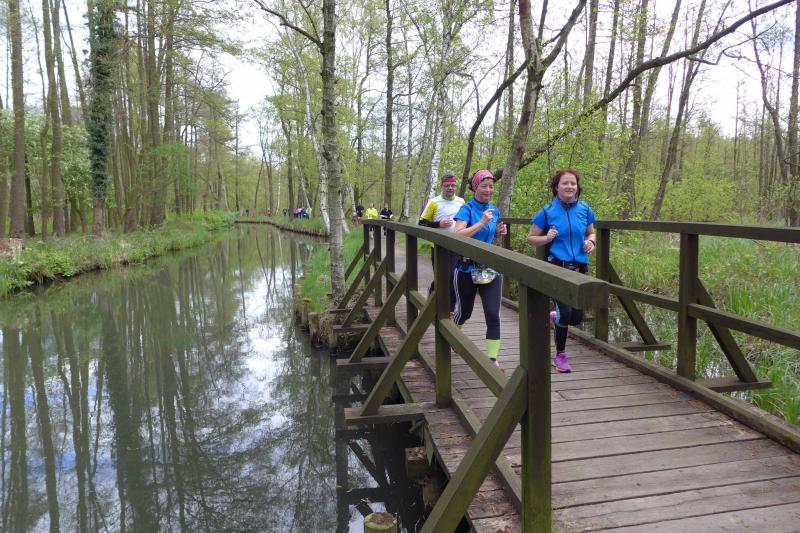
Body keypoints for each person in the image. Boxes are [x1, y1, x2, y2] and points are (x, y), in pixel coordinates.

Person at [527, 168, 596, 373]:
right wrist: (547, 238)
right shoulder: (548, 211)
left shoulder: (585, 209)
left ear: (577, 187)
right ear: (556, 187)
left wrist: (591, 242)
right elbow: (531, 238)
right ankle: (560, 356)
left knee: (577, 317)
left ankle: (554, 316)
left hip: (580, 268)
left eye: (573, 183)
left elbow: (591, 233)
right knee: (566, 313)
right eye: (565, 183)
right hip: (557, 267)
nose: (569, 187)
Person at [453, 169, 507, 369]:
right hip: (466, 268)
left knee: (493, 314)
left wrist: (498, 232)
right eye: (484, 186)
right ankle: (452, 335)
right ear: (475, 187)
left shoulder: (494, 210)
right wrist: (482, 222)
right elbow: (458, 235)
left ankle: (492, 360)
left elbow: (488, 237)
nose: (488, 190)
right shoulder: (466, 209)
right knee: (464, 313)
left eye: (491, 186)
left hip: (489, 268)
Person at [419, 173, 465, 310]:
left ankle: (450, 308)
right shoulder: (434, 202)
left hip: (456, 245)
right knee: (441, 276)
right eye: (447, 186)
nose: (450, 188)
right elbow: (421, 223)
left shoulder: (461, 201)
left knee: (454, 276)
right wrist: (439, 224)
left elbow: (466, 220)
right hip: (438, 246)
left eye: (453, 185)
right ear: (442, 186)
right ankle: (433, 292)